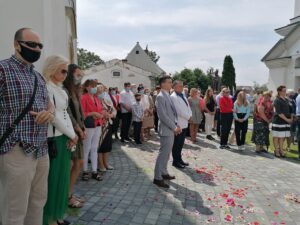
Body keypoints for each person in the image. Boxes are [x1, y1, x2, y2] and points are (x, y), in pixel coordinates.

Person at [0, 28, 54, 225]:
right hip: (16, 148)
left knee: (38, 203)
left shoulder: (38, 77)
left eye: (39, 46)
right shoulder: (3, 69)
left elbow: (49, 105)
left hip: (41, 149)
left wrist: (49, 113)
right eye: (31, 45)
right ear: (16, 45)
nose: (36, 49)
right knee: (15, 210)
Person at [42, 55, 78, 225]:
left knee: (62, 177)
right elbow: (54, 116)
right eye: (62, 70)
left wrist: (72, 136)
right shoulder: (46, 88)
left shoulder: (61, 89)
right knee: (52, 179)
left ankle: (57, 215)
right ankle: (49, 219)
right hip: (52, 138)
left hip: (63, 136)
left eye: (66, 71)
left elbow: (65, 115)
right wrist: (72, 135)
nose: (65, 74)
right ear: (52, 68)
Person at [63, 64, 86, 208]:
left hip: (78, 131)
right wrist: (78, 129)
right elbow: (68, 114)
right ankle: (67, 196)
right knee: (74, 164)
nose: (80, 77)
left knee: (79, 163)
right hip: (71, 133)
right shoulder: (65, 90)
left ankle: (69, 193)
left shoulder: (74, 91)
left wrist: (82, 127)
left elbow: (79, 113)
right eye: (78, 75)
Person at [154, 76, 181, 188]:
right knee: (163, 153)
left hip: (170, 128)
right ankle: (157, 177)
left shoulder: (167, 95)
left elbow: (172, 113)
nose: (171, 84)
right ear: (163, 84)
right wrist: (174, 127)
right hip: (166, 129)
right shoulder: (160, 97)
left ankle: (164, 172)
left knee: (167, 153)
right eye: (169, 82)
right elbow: (163, 116)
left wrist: (176, 125)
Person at [81, 79, 104, 181]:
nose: (94, 88)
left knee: (95, 148)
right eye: (92, 86)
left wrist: (101, 113)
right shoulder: (84, 98)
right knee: (86, 148)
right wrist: (92, 114)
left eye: (95, 86)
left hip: (98, 124)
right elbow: (81, 114)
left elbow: (101, 109)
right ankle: (85, 170)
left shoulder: (96, 98)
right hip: (89, 125)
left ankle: (94, 170)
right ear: (87, 87)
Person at [170, 80, 192, 169]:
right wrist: (188, 117)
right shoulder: (173, 97)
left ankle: (179, 159)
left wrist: (190, 115)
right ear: (174, 87)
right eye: (179, 86)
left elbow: (188, 107)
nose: (182, 87)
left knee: (181, 143)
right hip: (179, 123)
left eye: (182, 86)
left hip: (185, 122)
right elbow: (178, 111)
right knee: (177, 144)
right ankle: (175, 161)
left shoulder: (183, 94)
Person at [97, 85, 116, 172]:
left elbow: (114, 110)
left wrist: (111, 114)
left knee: (107, 146)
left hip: (108, 125)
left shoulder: (106, 100)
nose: (102, 92)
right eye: (100, 91)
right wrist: (105, 114)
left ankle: (106, 163)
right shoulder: (96, 100)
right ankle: (100, 165)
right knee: (100, 146)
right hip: (99, 126)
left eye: (103, 90)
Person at [272, 86, 293, 157]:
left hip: (285, 122)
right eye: (284, 91)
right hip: (278, 121)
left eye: (285, 90)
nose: (285, 92)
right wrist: (287, 119)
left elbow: (290, 110)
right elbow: (279, 112)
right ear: (279, 91)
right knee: (276, 137)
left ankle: (281, 150)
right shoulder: (277, 100)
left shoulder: (286, 100)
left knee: (282, 137)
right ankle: (276, 151)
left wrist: (291, 118)